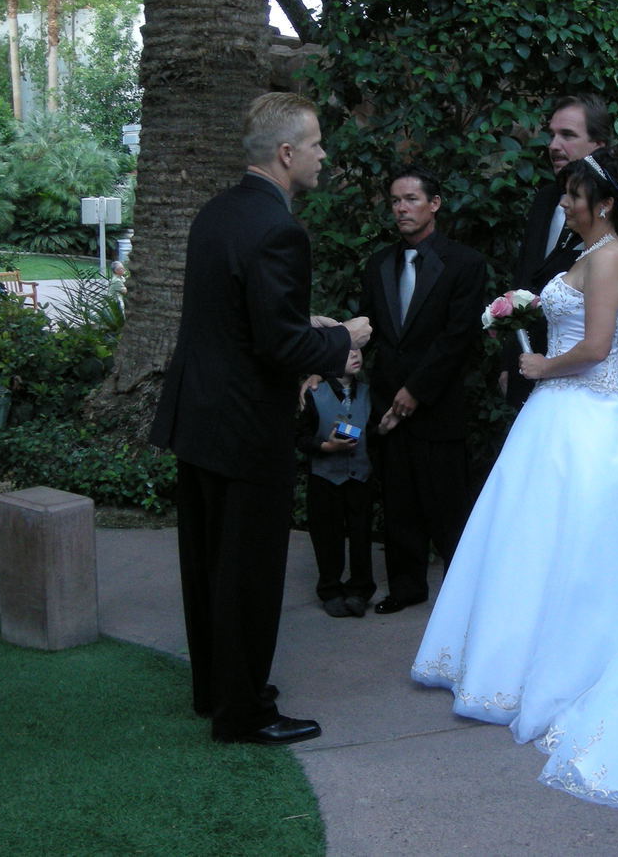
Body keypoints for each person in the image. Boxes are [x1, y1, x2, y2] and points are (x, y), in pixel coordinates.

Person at [412, 144, 618, 816]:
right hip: (558, 419)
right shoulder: (588, 255)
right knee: (532, 541)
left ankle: (563, 667)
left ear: (605, 203)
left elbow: (594, 349)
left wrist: (539, 367)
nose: (564, 202)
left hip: (589, 415)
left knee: (575, 548)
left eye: (574, 194)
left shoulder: (612, 258)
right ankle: (507, 663)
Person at [150, 92, 371, 746]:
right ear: (286, 152)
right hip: (246, 431)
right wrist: (344, 337)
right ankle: (243, 714)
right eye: (316, 144)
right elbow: (278, 346)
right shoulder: (280, 229)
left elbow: (236, 318)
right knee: (247, 575)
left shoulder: (215, 213)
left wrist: (307, 325)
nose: (323, 155)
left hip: (200, 422)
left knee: (208, 568)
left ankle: (217, 694)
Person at [359, 166, 487, 615]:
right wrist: (328, 365)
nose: (401, 208)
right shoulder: (378, 264)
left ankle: (461, 597)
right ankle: (406, 587)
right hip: (387, 406)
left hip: (438, 404)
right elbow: (370, 329)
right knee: (398, 504)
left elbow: (458, 337)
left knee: (448, 506)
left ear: (434, 204)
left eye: (411, 199)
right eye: (395, 200)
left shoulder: (465, 263)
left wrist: (416, 390)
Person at [501, 94, 618, 408]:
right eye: (552, 135)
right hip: (529, 371)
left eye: (568, 135)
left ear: (598, 145)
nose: (554, 145)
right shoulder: (545, 200)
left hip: (588, 390)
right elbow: (525, 283)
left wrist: (609, 382)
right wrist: (511, 362)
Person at [296, 347, 375, 619]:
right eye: (347, 350)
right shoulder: (315, 393)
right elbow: (301, 437)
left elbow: (373, 432)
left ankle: (360, 590)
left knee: (361, 534)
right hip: (325, 477)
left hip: (360, 475)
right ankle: (330, 590)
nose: (355, 355)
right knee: (327, 535)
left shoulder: (368, 392)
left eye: (358, 350)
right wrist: (325, 446)